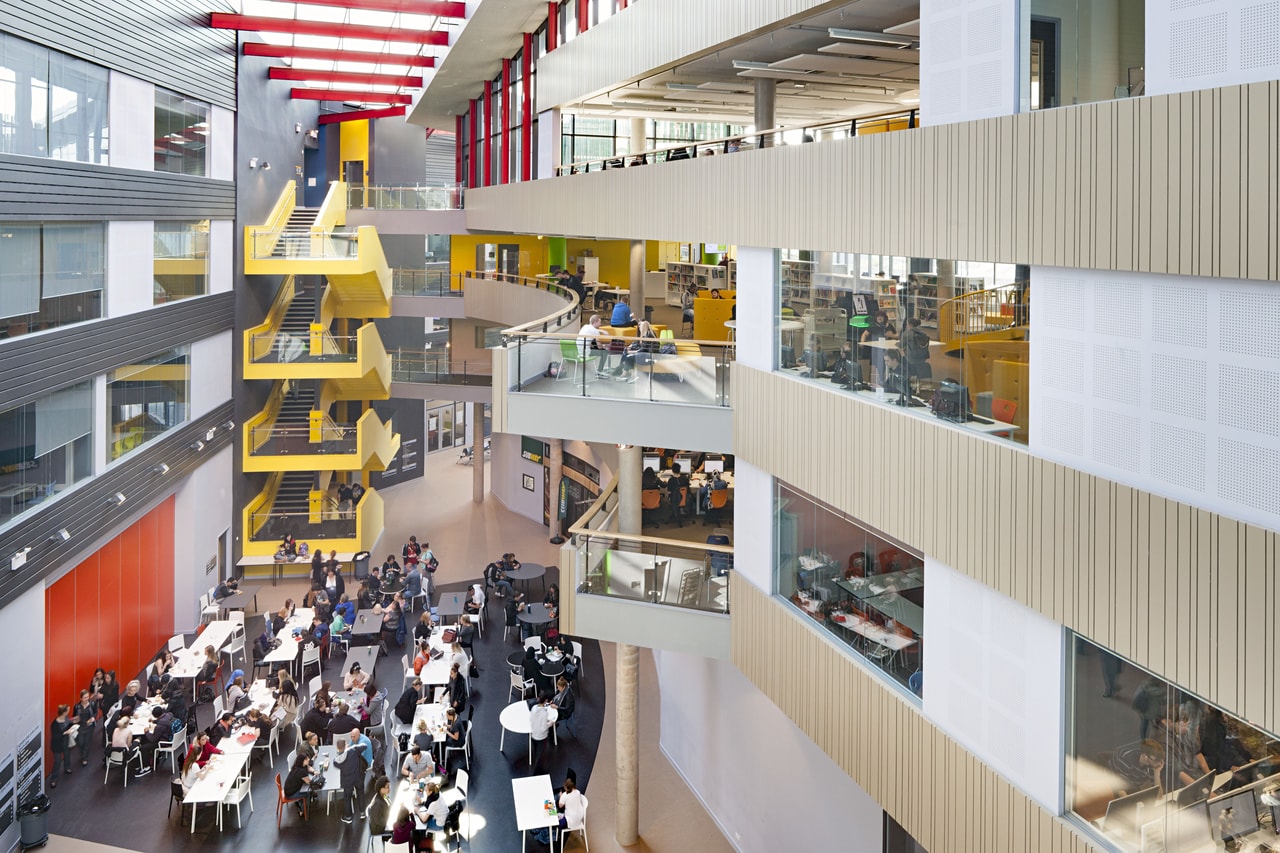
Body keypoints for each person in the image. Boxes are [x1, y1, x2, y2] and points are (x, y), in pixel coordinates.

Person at [333, 737, 365, 824]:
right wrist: (350, 747)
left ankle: (348, 817)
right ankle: (362, 813)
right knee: (360, 794)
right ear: (346, 744)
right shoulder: (354, 750)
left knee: (347, 798)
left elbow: (335, 763)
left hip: (347, 781)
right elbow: (364, 745)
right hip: (358, 778)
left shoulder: (337, 760)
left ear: (337, 747)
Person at [556, 777, 587, 844]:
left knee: (557, 823)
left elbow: (560, 805)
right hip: (579, 818)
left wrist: (560, 796)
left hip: (571, 820)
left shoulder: (564, 795)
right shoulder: (578, 792)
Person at [529, 693, 554, 772]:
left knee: (536, 752)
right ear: (546, 700)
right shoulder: (544, 713)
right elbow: (543, 728)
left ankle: (537, 769)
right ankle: (538, 772)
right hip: (541, 737)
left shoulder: (533, 708)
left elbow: (531, 719)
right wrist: (550, 723)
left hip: (534, 734)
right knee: (540, 756)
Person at [49, 705, 72, 786]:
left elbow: (68, 724)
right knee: (57, 762)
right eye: (68, 710)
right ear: (64, 712)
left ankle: (67, 768)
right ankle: (53, 779)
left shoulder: (66, 718)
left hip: (65, 742)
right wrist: (65, 733)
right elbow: (55, 737)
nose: (69, 711)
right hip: (57, 745)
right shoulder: (55, 724)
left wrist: (73, 721)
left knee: (67, 755)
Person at [72, 689, 96, 766]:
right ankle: (83, 754)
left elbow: (95, 713)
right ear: (81, 698)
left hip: (89, 726)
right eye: (85, 697)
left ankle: (85, 758)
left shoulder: (92, 704)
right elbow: (74, 716)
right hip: (80, 726)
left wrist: (93, 718)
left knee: (87, 743)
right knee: (80, 742)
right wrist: (75, 720)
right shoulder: (77, 706)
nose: (86, 699)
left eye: (87, 697)